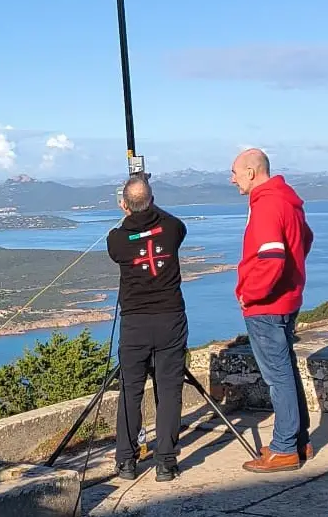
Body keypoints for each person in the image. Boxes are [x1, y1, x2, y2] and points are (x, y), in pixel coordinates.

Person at [229, 148, 314, 473]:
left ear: (251, 172)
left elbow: (271, 258)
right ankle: (298, 440)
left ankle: (284, 449)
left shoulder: (266, 204)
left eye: (235, 172)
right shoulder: (287, 200)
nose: (232, 179)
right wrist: (292, 274)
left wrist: (249, 294)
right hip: (288, 299)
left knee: (277, 377)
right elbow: (305, 239)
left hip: (266, 305)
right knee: (286, 371)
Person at [106, 174, 189, 483]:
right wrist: (147, 205)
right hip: (170, 319)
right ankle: (165, 463)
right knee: (169, 390)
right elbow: (176, 224)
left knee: (131, 390)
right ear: (152, 201)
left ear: (124, 205)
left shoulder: (117, 240)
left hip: (135, 324)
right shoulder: (170, 228)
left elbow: (123, 236)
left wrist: (132, 211)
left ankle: (126, 461)